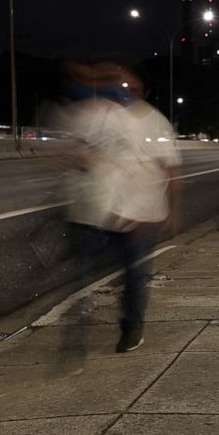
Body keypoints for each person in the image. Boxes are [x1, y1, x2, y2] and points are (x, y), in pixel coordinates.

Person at [62, 59, 182, 352]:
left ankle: (132, 327)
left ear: (143, 90)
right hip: (110, 211)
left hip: (143, 214)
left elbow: (172, 170)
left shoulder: (155, 122)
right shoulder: (107, 117)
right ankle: (77, 333)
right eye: (119, 84)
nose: (122, 90)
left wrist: (172, 212)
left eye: (130, 86)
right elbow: (86, 149)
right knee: (88, 265)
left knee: (134, 275)